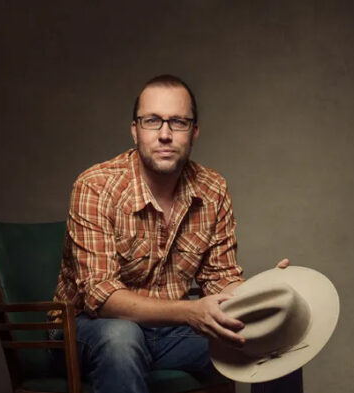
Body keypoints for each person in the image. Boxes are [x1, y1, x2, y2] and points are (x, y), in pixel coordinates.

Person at [51, 75, 299, 393]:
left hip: (171, 333)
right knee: (121, 337)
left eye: (178, 122)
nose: (165, 134)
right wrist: (189, 312)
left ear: (194, 132)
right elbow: (101, 297)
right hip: (86, 332)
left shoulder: (212, 189)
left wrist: (267, 293)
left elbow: (221, 281)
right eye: (152, 121)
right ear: (135, 130)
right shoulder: (95, 186)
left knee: (275, 339)